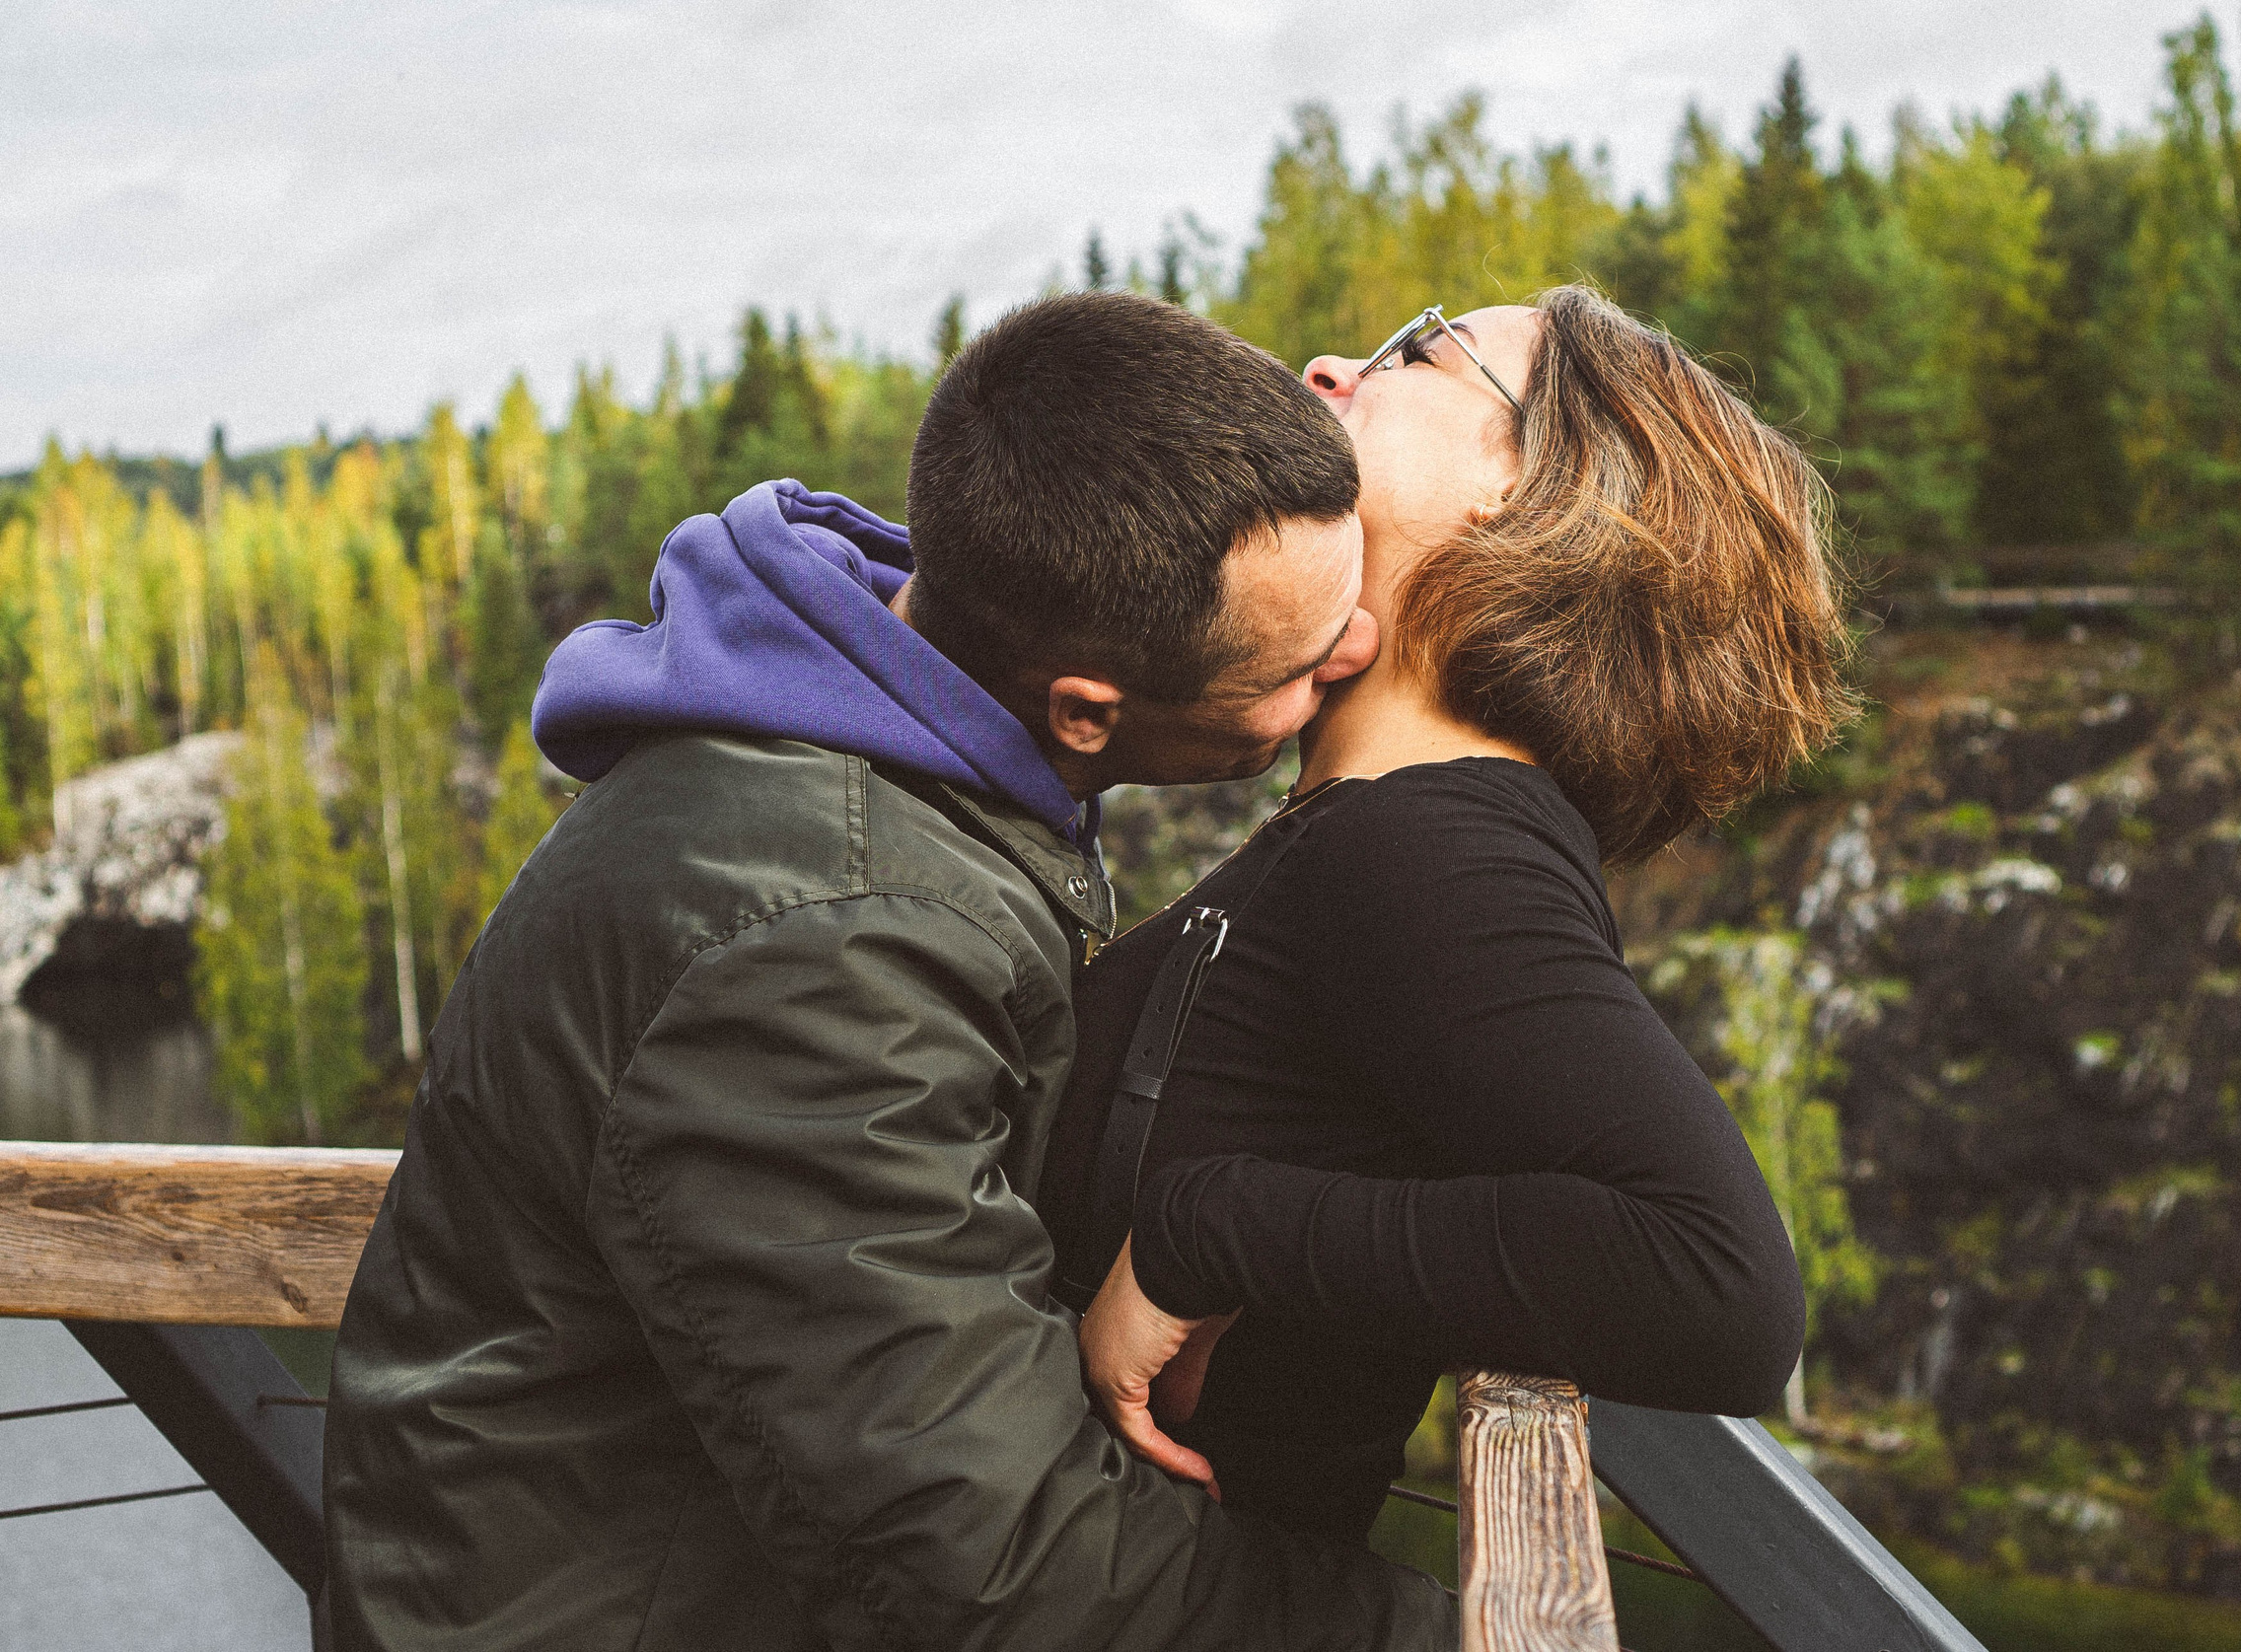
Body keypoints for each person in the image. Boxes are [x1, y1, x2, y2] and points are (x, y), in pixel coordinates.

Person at [321, 292, 1453, 1652]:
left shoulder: (883, 740)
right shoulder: (815, 945)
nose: (1359, 653)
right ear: (1088, 707)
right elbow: (994, 1556)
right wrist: (1448, 1632)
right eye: (1299, 659)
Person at [1042, 286, 1852, 1540]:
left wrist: (1210, 1229)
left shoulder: (1431, 842)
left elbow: (1716, 1290)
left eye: (1418, 354)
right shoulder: (1381, 829)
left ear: (1543, 489)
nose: (1324, 366)